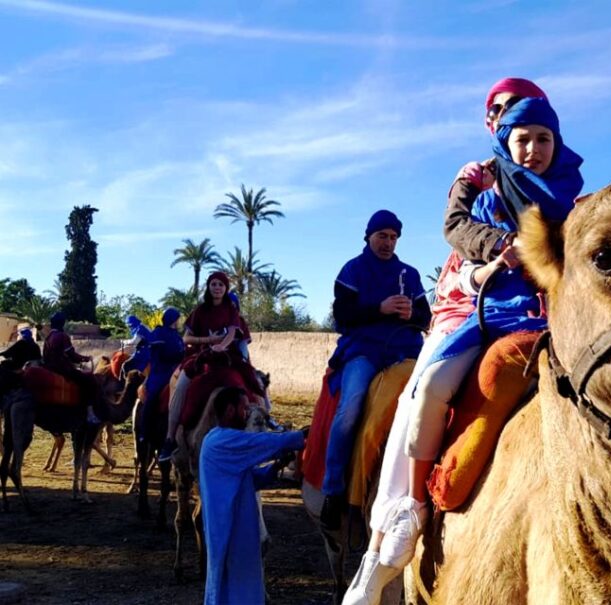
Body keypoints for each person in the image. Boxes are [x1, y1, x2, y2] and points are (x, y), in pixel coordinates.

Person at [343, 77, 550, 605]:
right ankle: (385, 529)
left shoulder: (565, 194)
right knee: (393, 397)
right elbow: (456, 258)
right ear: (494, 126)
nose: (522, 137)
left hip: (543, 316)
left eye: (535, 127)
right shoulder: (480, 189)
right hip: (463, 316)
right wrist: (491, 264)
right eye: (503, 115)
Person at [319, 210, 432, 530]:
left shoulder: (409, 274)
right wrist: (379, 309)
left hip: (405, 351)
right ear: (368, 236)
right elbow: (342, 317)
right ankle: (333, 489)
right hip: (364, 351)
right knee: (352, 405)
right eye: (382, 236)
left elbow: (425, 318)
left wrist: (413, 314)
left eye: (394, 237)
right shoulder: (352, 271)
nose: (388, 242)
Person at [199, 386, 306, 605]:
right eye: (244, 408)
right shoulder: (220, 440)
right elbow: (259, 443)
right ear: (229, 410)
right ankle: (172, 438)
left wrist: (276, 467)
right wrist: (299, 437)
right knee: (233, 585)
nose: (247, 413)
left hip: (239, 528)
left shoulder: (222, 441)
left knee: (240, 585)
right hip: (229, 529)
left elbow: (251, 480)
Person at [159, 271, 248, 461]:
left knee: (252, 382)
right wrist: (209, 341)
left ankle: (262, 423)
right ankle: (169, 438)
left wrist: (221, 346)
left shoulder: (231, 310)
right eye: (214, 284)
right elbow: (187, 338)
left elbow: (232, 333)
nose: (217, 288)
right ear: (209, 287)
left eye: (221, 285)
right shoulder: (199, 311)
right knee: (181, 384)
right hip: (201, 357)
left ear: (226, 289)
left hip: (226, 358)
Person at [139, 307, 184, 443]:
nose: (179, 321)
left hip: (177, 370)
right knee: (152, 397)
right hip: (161, 372)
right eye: (177, 319)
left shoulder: (176, 335)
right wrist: (180, 355)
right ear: (172, 319)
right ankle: (144, 431)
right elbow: (161, 354)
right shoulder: (158, 333)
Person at [42, 311, 99, 405]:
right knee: (88, 380)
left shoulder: (48, 337)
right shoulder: (62, 336)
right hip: (62, 369)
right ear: (62, 324)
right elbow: (71, 355)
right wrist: (86, 358)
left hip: (49, 368)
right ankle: (88, 410)